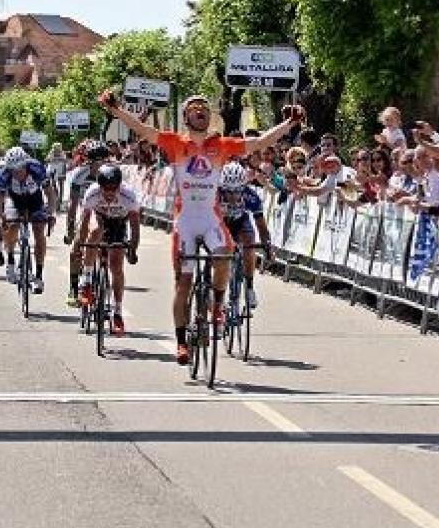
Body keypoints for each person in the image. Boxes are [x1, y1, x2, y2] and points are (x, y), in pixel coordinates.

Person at [99, 89, 303, 366]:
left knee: (225, 256)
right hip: (185, 221)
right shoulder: (174, 142)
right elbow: (143, 130)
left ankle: (218, 305)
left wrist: (288, 125)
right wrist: (117, 111)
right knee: (183, 284)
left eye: (205, 108)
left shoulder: (221, 145)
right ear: (186, 116)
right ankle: (182, 342)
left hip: (210, 218)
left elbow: (258, 143)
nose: (201, 111)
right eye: (195, 107)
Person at [73, 163, 140, 335]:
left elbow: (134, 226)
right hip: (99, 217)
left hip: (119, 222)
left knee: (116, 266)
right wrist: (80, 243)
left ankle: (117, 312)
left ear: (119, 186)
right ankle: (86, 280)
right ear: (99, 186)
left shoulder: (129, 196)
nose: (110, 193)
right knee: (95, 232)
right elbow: (85, 221)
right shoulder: (93, 193)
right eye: (106, 189)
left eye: (113, 188)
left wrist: (133, 249)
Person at [0, 146, 57, 289]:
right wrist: (0, 214)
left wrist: (51, 212)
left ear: (26, 164)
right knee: (11, 226)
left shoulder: (37, 168)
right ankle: (10, 260)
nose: (17, 173)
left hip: (35, 200)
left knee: (39, 232)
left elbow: (50, 193)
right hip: (15, 200)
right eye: (13, 170)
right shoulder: (5, 173)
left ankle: (39, 276)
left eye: (20, 169)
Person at [218, 161, 271, 310]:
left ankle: (249, 287)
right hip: (220, 224)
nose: (233, 196)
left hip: (241, 223)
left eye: (237, 191)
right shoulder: (214, 194)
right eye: (228, 191)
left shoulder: (251, 196)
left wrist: (267, 246)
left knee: (249, 244)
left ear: (243, 188)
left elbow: (261, 225)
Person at [63, 142, 110, 306]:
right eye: (96, 161)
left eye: (104, 160)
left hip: (108, 212)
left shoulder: (113, 174)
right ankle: (74, 288)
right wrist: (70, 228)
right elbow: (73, 203)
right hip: (86, 212)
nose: (100, 164)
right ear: (89, 161)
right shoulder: (79, 175)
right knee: (76, 248)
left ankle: (103, 278)